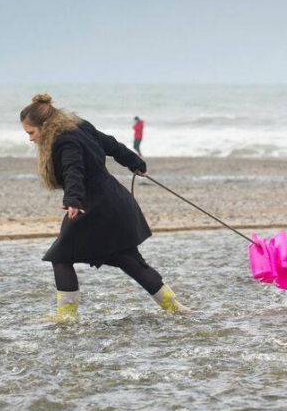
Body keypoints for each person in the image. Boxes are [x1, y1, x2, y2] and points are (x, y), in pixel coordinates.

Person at [20, 94, 188, 322]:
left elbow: (73, 169)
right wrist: (135, 162)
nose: (30, 138)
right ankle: (175, 308)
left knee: (61, 256)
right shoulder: (78, 126)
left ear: (45, 125)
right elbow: (110, 143)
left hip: (93, 207)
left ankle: (66, 316)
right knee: (128, 259)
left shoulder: (63, 139)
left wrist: (73, 199)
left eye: (31, 132)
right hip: (112, 201)